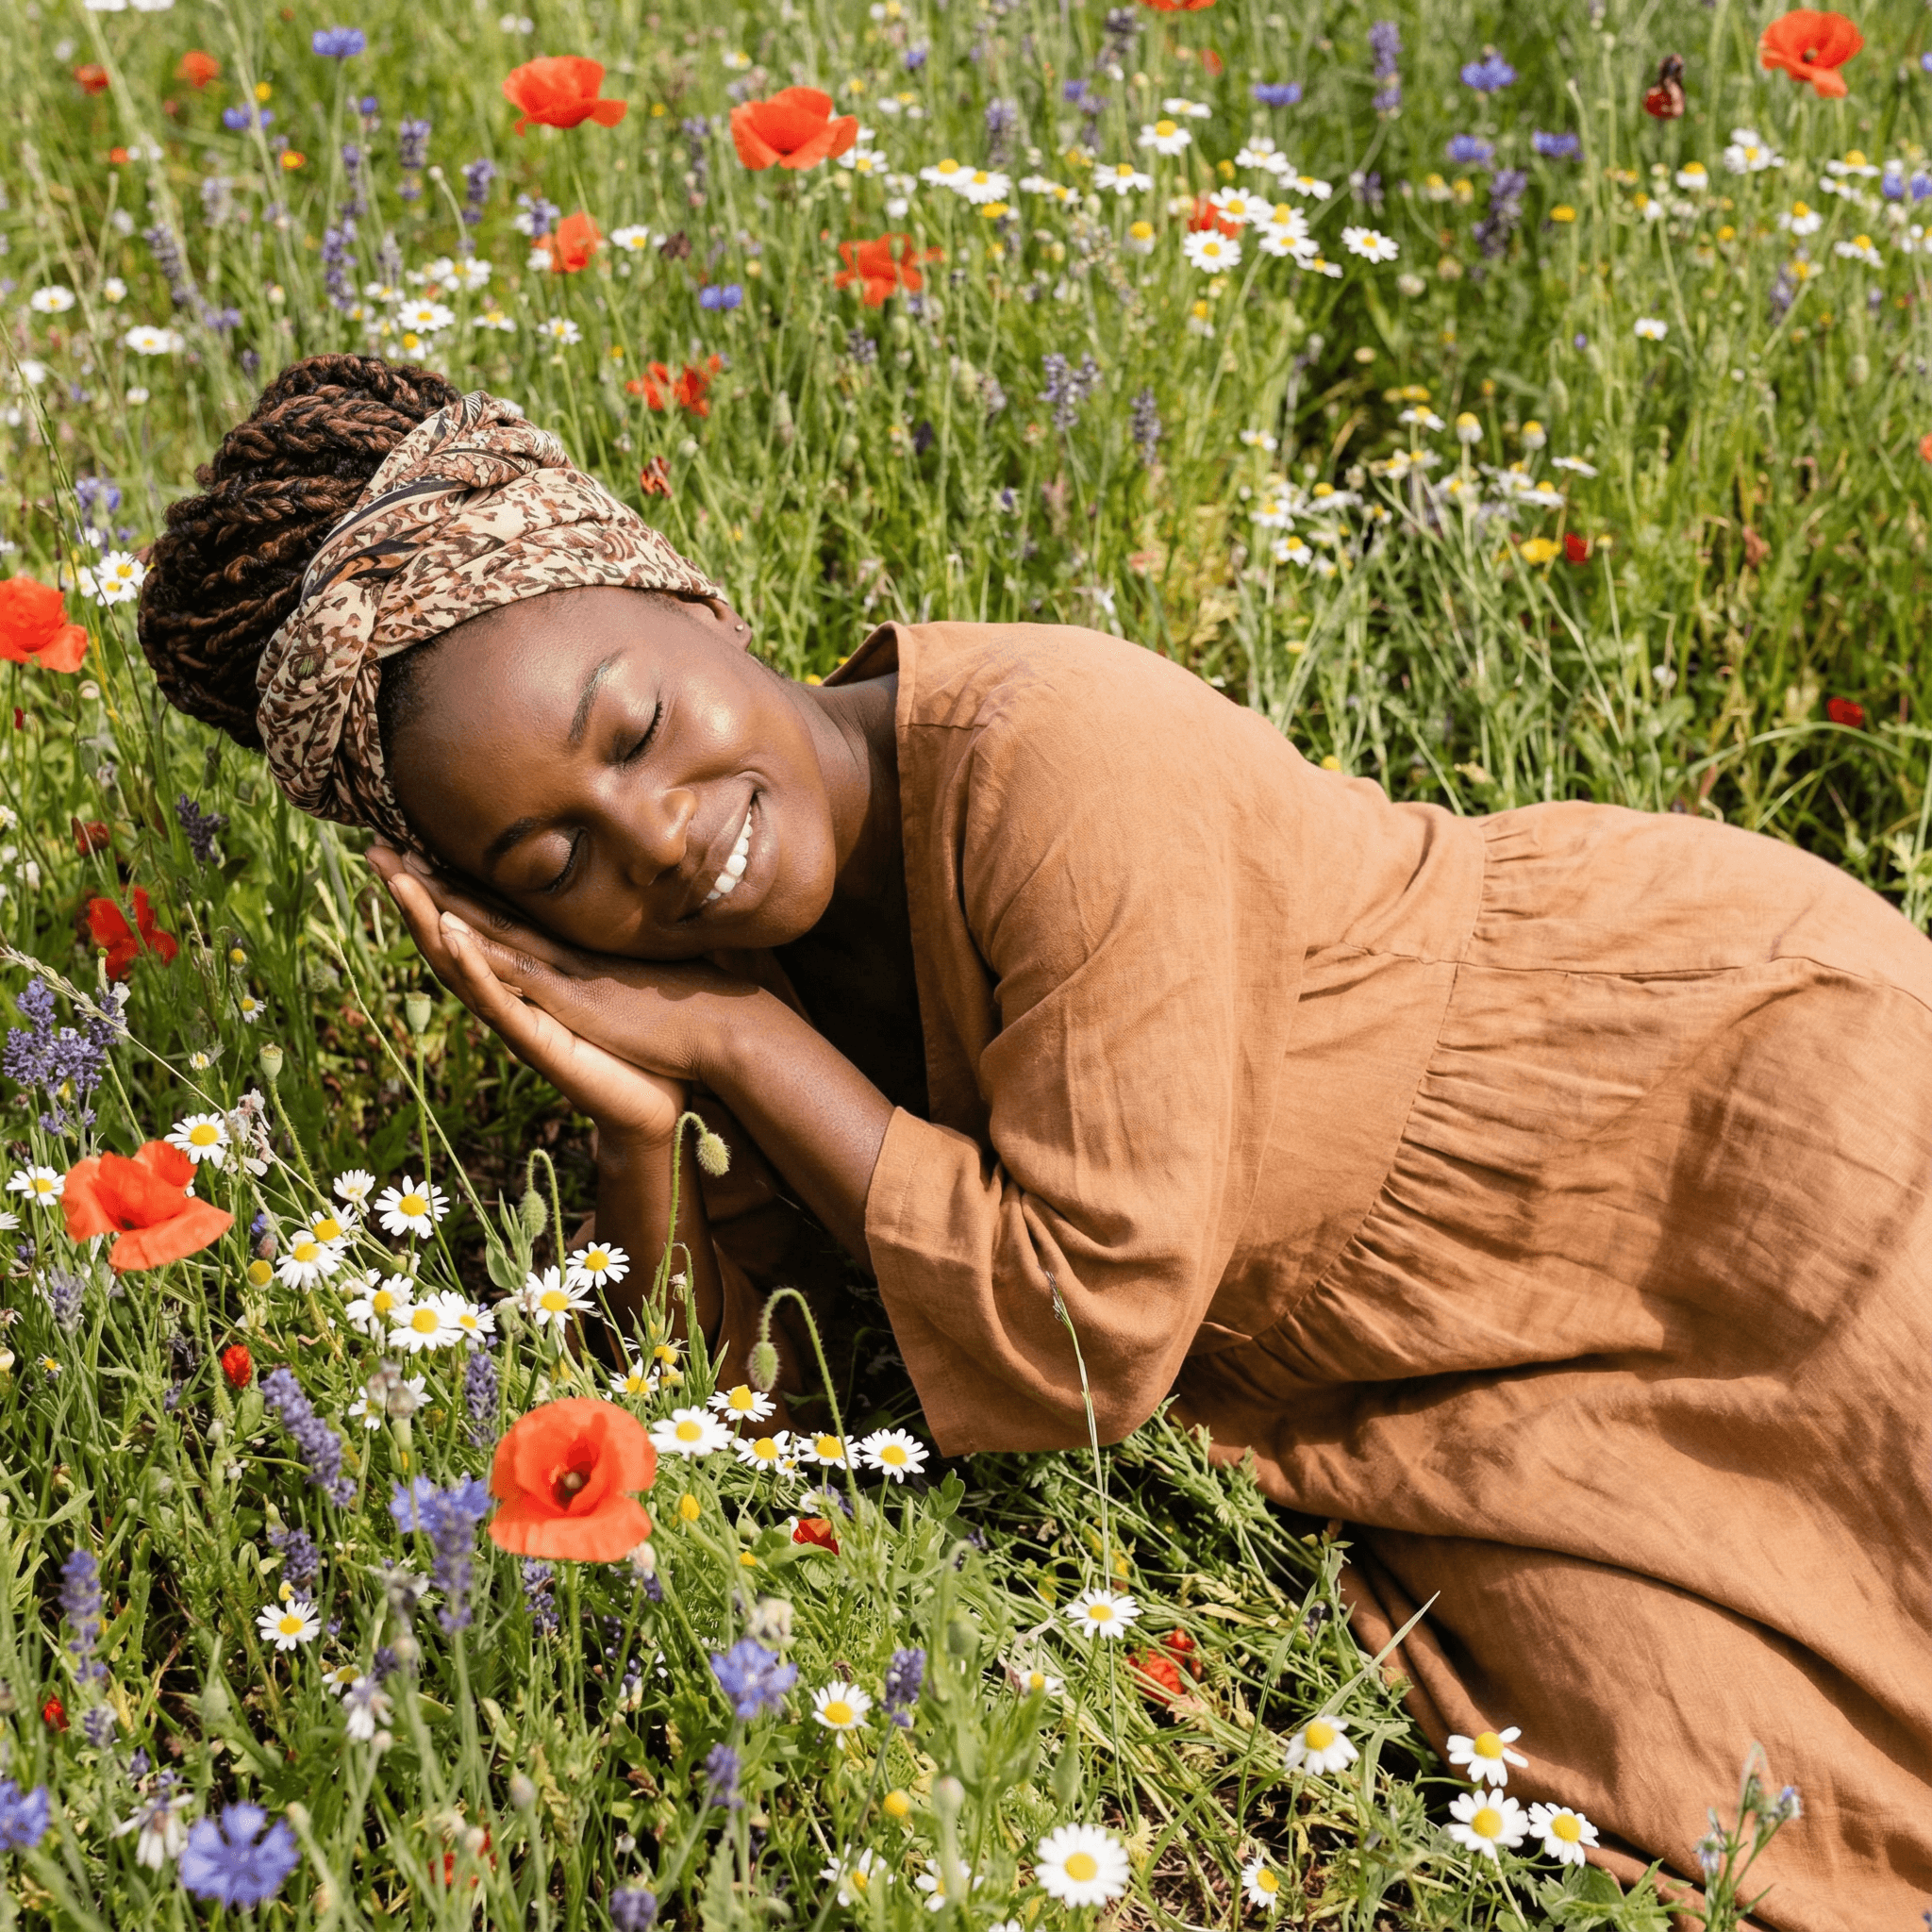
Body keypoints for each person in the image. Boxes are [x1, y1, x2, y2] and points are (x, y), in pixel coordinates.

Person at [138, 356, 1932, 1930]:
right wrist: (637, 1124)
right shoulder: (694, 969)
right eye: (551, 865)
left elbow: (1084, 1329)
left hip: (1692, 1105)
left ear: (683, 594)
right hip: (1427, 1376)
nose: (658, 840)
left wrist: (745, 1049)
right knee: (1728, 1791)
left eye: (637, 728)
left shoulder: (1060, 757)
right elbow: (745, 1431)